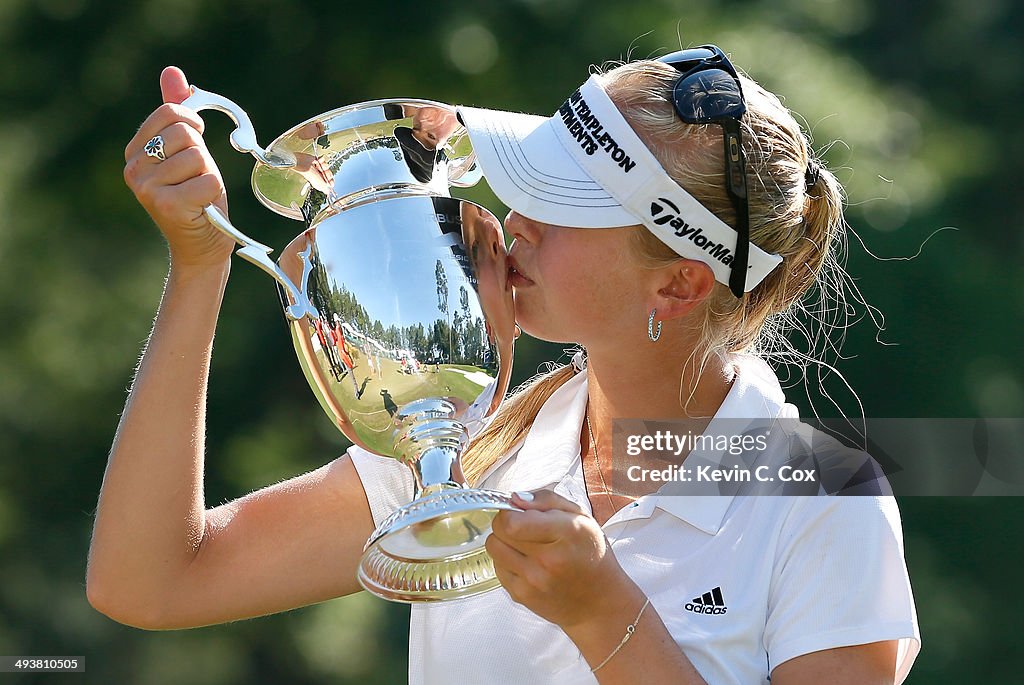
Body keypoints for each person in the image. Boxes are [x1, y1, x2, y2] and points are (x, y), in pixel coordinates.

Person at [88, 46, 920, 685]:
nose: (516, 219)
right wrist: (202, 266)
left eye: (564, 204)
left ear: (675, 284)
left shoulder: (824, 500)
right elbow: (150, 580)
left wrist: (607, 619)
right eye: (534, 182)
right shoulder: (468, 440)